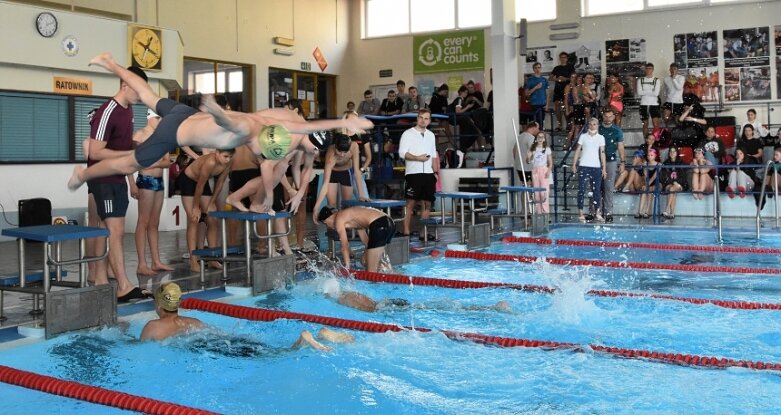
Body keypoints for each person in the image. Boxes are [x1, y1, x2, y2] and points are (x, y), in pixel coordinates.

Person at [69, 53, 372, 191]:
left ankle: (112, 63)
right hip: (174, 131)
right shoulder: (245, 132)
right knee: (127, 166)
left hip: (183, 114)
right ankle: (84, 174)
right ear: (266, 149)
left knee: (147, 95)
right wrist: (214, 108)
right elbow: (228, 121)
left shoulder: (269, 122)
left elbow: (306, 126)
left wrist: (342, 123)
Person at [84, 63, 150, 302]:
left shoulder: (128, 110)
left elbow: (122, 149)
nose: (141, 94)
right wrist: (126, 158)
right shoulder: (107, 110)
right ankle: (123, 285)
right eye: (138, 88)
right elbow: (95, 152)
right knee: (115, 230)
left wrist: (129, 173)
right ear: (125, 84)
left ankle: (101, 279)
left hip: (117, 177)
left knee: (108, 230)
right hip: (103, 177)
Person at [141, 282, 351, 351]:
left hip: (210, 347)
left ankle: (301, 342)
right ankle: (318, 335)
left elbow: (138, 346)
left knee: (274, 356)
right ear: (179, 304)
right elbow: (219, 333)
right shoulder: (192, 321)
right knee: (266, 350)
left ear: (159, 304)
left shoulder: (153, 326)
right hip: (225, 340)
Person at [178, 149, 235, 272]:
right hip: (188, 181)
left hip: (202, 185)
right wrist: (196, 207)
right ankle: (193, 260)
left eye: (230, 156)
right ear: (217, 153)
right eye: (225, 156)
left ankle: (212, 258)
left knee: (213, 219)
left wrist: (211, 202)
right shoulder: (210, 162)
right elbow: (200, 185)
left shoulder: (228, 162)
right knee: (194, 219)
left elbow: (220, 183)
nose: (228, 159)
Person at [133, 109, 174, 276]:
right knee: (143, 222)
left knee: (154, 223)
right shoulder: (139, 135)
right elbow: (134, 160)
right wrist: (155, 163)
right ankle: (142, 264)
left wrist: (153, 163)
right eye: (158, 118)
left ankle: (156, 261)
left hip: (159, 182)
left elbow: (167, 163)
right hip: (145, 181)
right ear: (149, 117)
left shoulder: (162, 137)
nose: (161, 121)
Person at [398, 109, 438, 239]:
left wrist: (435, 172)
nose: (423, 120)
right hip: (413, 173)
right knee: (410, 203)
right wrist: (417, 158)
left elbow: (433, 155)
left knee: (427, 204)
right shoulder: (407, 134)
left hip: (428, 173)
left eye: (426, 118)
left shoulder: (431, 135)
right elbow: (402, 153)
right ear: (417, 118)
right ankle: (406, 231)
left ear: (429, 121)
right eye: (421, 117)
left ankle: (423, 232)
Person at [317, 206, 394, 272]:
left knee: (371, 274)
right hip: (389, 223)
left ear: (326, 219)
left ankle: (381, 279)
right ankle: (388, 273)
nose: (328, 227)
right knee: (364, 261)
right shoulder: (351, 216)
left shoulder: (338, 219)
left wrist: (347, 268)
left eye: (326, 224)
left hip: (380, 225)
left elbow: (344, 246)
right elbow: (366, 241)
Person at [312, 133, 369, 215]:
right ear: (335, 147)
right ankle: (332, 226)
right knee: (332, 206)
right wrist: (316, 206)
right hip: (333, 173)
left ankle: (345, 226)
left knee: (346, 205)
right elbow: (325, 184)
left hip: (346, 172)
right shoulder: (330, 156)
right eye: (339, 151)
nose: (342, 155)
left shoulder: (354, 146)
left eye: (345, 152)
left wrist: (361, 194)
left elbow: (356, 172)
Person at [571, 118, 607, 223]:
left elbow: (602, 153)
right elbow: (577, 151)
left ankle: (597, 213)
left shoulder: (601, 138)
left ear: (597, 125)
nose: (592, 126)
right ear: (588, 125)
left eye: (594, 124)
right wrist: (574, 164)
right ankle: (581, 213)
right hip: (583, 166)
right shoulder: (583, 136)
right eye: (590, 124)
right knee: (581, 189)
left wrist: (604, 168)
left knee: (596, 191)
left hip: (596, 167)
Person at [598, 108, 625, 223]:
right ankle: (595, 212)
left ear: (614, 117)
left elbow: (620, 146)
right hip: (597, 161)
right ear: (603, 116)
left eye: (610, 116)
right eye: (606, 116)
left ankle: (608, 212)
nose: (608, 119)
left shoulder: (617, 130)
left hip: (611, 160)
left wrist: (622, 162)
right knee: (596, 187)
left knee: (609, 187)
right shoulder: (597, 129)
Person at [526, 132, 553, 213]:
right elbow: (527, 161)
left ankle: (545, 212)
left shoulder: (547, 149)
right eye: (539, 137)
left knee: (544, 192)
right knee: (537, 193)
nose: (540, 139)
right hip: (535, 171)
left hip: (544, 170)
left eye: (542, 137)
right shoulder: (532, 148)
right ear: (536, 139)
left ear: (544, 139)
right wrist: (529, 157)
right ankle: (539, 213)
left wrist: (548, 170)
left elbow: (550, 162)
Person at [660, 146, 688, 219]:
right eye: (671, 151)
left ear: (677, 153)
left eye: (674, 151)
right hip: (668, 184)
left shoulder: (681, 163)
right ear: (669, 153)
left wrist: (677, 182)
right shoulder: (665, 163)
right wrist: (673, 182)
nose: (672, 153)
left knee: (673, 189)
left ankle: (667, 210)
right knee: (672, 189)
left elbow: (684, 177)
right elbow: (663, 178)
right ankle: (672, 213)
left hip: (680, 184)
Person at [550, 52, 574, 131]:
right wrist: (557, 79)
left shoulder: (570, 67)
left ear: (567, 58)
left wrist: (565, 79)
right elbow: (550, 78)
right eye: (561, 57)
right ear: (559, 58)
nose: (563, 59)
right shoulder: (556, 68)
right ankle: (559, 125)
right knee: (557, 107)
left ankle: (568, 124)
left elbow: (574, 78)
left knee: (565, 107)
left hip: (567, 89)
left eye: (564, 57)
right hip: (558, 89)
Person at [637, 63, 661, 138]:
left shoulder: (656, 80)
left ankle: (656, 141)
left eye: (650, 68)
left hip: (654, 104)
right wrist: (651, 90)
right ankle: (646, 142)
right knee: (645, 124)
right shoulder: (640, 80)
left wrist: (645, 91)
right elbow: (639, 92)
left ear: (653, 70)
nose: (648, 70)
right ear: (645, 69)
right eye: (647, 68)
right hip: (643, 104)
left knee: (656, 124)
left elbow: (656, 93)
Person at [635, 148, 659, 219]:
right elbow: (646, 176)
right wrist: (646, 185)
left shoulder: (659, 164)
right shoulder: (645, 164)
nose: (649, 157)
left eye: (651, 155)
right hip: (647, 182)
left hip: (657, 183)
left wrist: (647, 186)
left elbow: (654, 177)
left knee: (650, 190)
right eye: (648, 155)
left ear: (655, 156)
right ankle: (640, 211)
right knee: (644, 191)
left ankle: (647, 211)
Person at [525, 62, 549, 128]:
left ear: (541, 68)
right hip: (534, 104)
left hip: (542, 104)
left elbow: (547, 93)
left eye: (539, 67)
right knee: (534, 123)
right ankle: (534, 137)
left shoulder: (544, 80)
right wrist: (535, 87)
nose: (537, 69)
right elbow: (527, 93)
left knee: (541, 123)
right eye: (535, 68)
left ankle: (540, 137)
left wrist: (547, 105)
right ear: (533, 69)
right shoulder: (529, 80)